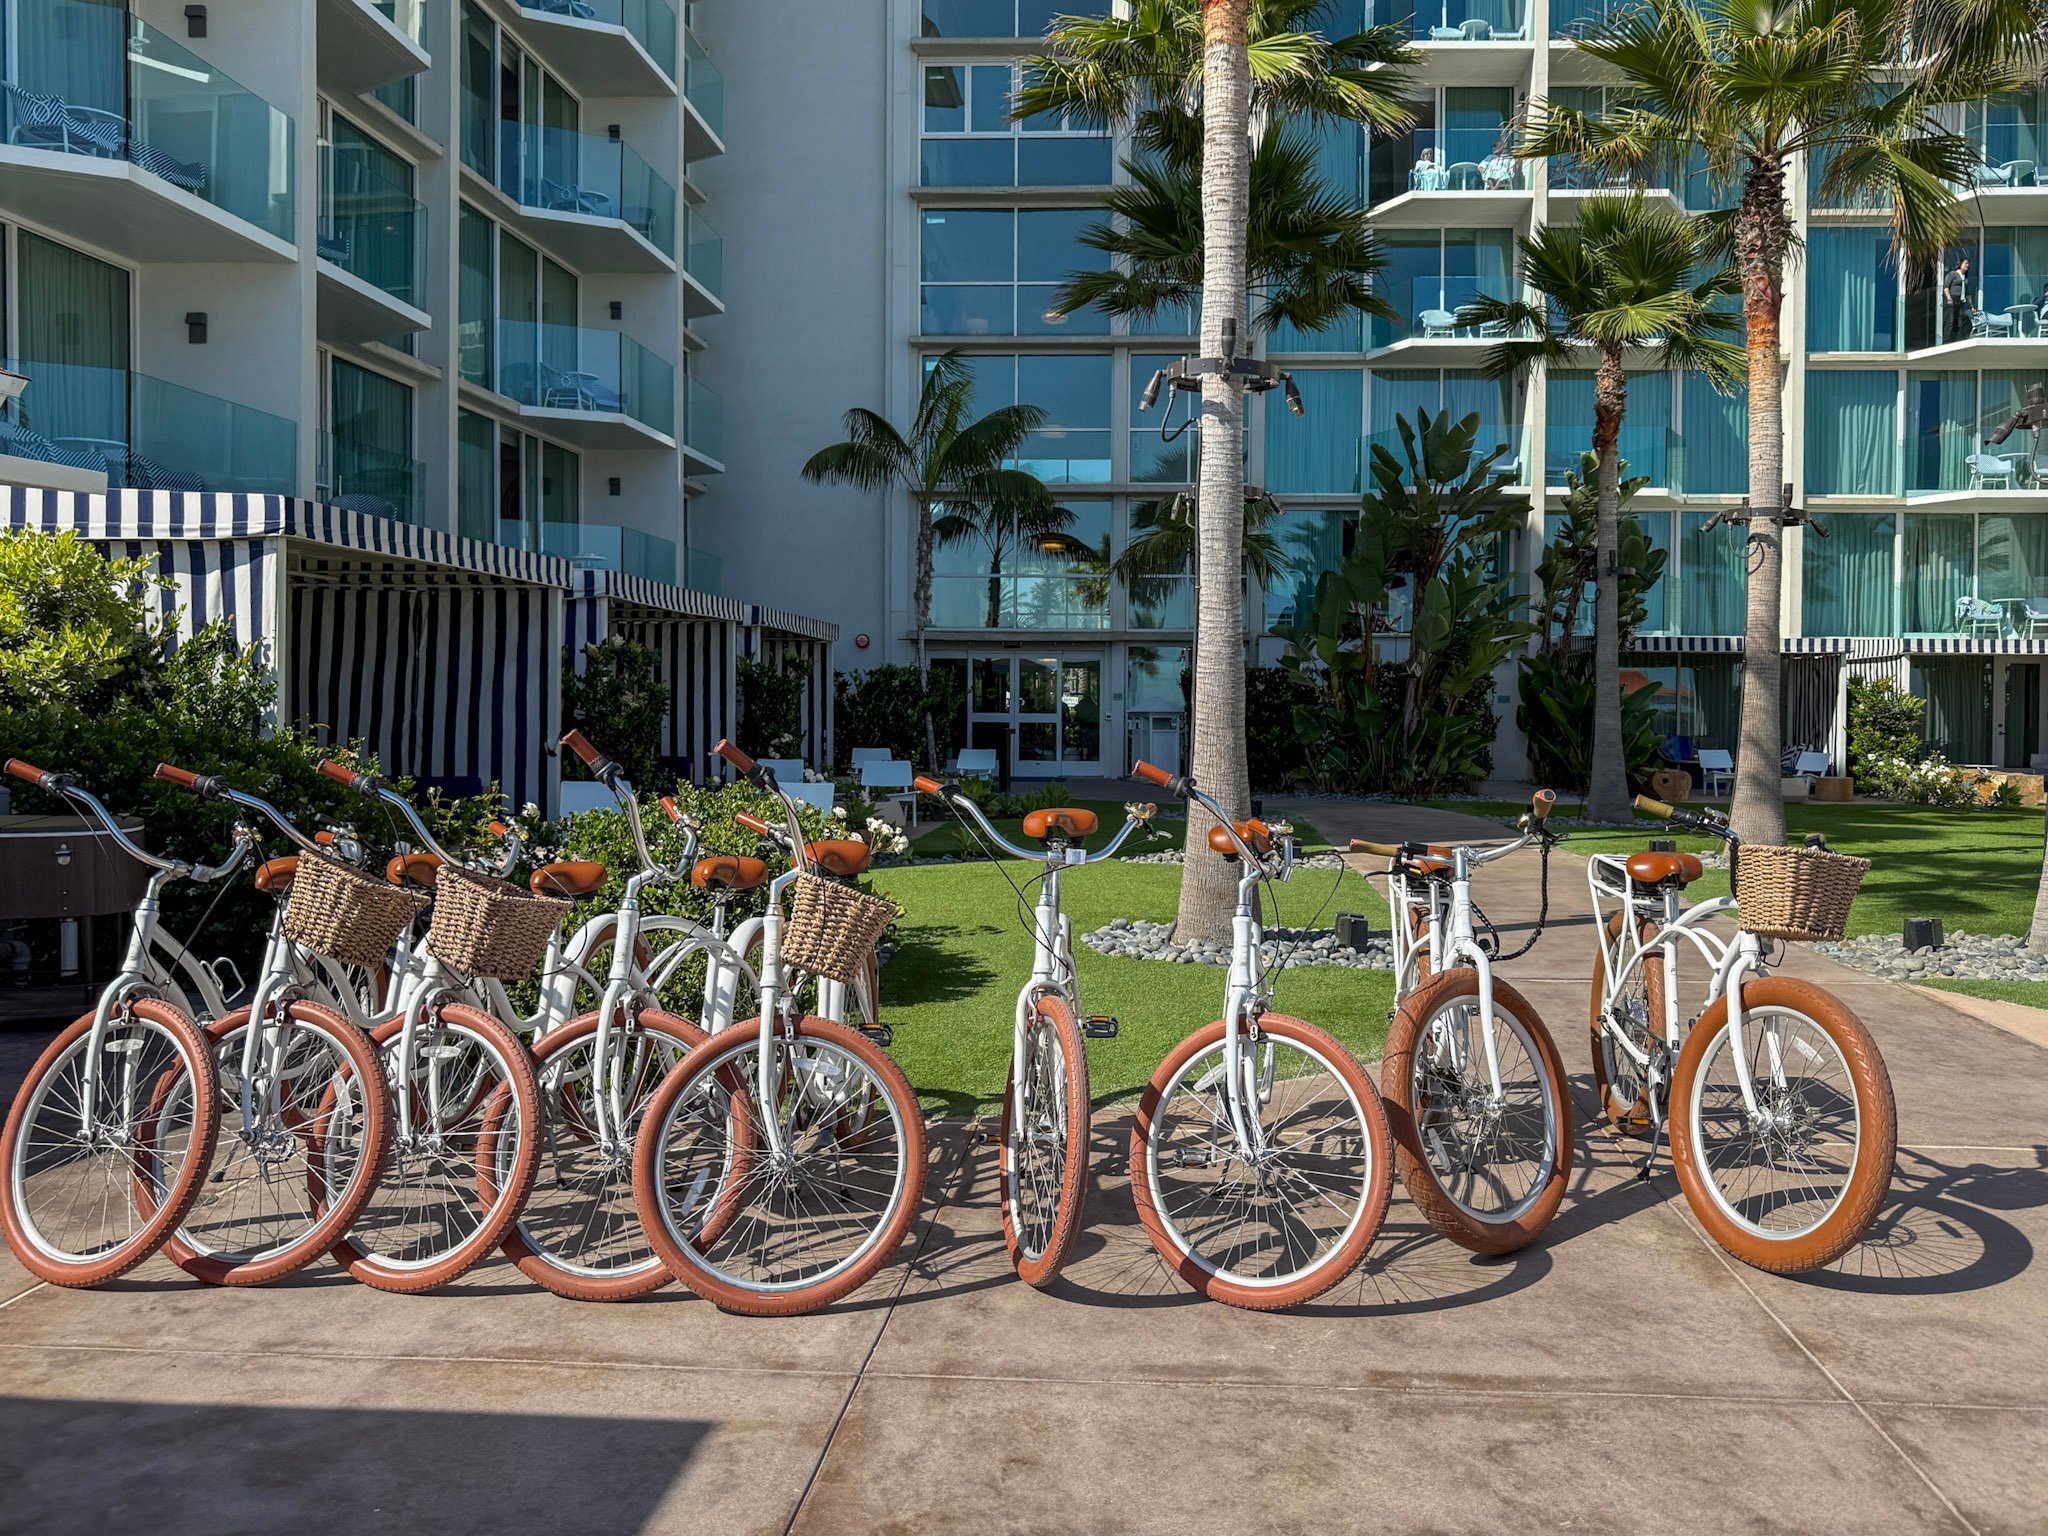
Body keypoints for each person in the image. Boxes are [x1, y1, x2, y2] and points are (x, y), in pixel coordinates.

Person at [1945, 256, 1972, 342]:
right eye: (1966, 263)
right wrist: (1949, 298)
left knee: (1959, 322)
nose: (1967, 265)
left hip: (1961, 301)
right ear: (1960, 264)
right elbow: (1946, 287)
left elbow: (1967, 292)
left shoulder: (1965, 277)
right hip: (1953, 299)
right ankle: (1947, 340)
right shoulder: (1953, 274)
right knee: (1951, 321)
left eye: (1968, 264)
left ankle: (1955, 340)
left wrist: (1971, 305)